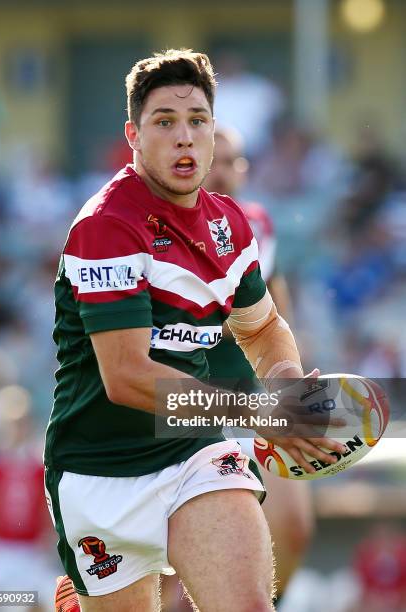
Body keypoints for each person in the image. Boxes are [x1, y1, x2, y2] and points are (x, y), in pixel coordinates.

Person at [44, 49, 345, 612]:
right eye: (165, 122)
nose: (185, 137)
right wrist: (261, 415)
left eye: (197, 121)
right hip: (95, 470)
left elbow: (262, 326)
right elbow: (128, 378)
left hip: (192, 454)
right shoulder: (106, 226)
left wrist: (284, 382)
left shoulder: (230, 222)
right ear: (133, 135)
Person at [203, 127, 314, 606]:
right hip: (186, 401)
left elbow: (274, 305)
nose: (225, 171)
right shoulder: (157, 229)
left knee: (293, 527)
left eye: (235, 160)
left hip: (250, 396)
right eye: (216, 160)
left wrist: (291, 378)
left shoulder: (256, 223)